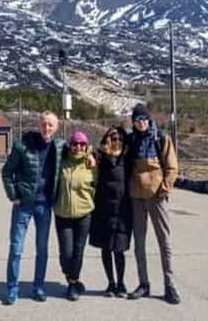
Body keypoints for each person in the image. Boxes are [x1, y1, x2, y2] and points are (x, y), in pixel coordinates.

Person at [0, 110, 65, 305]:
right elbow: (7, 172)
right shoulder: (22, 146)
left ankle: (38, 287)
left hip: (44, 206)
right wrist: (14, 195)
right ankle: (12, 289)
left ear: (56, 128)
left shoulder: (60, 147)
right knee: (16, 248)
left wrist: (91, 158)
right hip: (24, 205)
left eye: (50, 125)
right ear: (39, 125)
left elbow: (81, 149)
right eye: (44, 124)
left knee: (42, 249)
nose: (47, 128)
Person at [126, 103, 181, 304]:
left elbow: (172, 167)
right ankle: (144, 284)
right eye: (137, 120)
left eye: (143, 119)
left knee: (164, 241)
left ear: (149, 120)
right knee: (139, 243)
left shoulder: (161, 138)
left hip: (157, 197)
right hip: (137, 198)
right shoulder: (130, 140)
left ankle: (170, 285)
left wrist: (164, 190)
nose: (140, 123)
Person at [89, 126, 133, 298]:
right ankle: (110, 283)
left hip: (122, 210)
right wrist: (90, 156)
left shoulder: (127, 157)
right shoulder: (101, 156)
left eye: (120, 138)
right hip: (103, 209)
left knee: (119, 249)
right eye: (113, 138)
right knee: (106, 248)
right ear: (108, 139)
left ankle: (121, 283)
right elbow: (88, 154)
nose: (117, 141)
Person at [53, 131, 96, 301]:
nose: (78, 147)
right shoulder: (61, 162)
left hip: (84, 214)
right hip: (63, 213)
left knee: (78, 251)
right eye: (75, 143)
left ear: (86, 146)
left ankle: (72, 283)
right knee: (66, 253)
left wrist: (93, 156)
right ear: (70, 145)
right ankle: (71, 275)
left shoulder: (91, 165)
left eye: (82, 144)